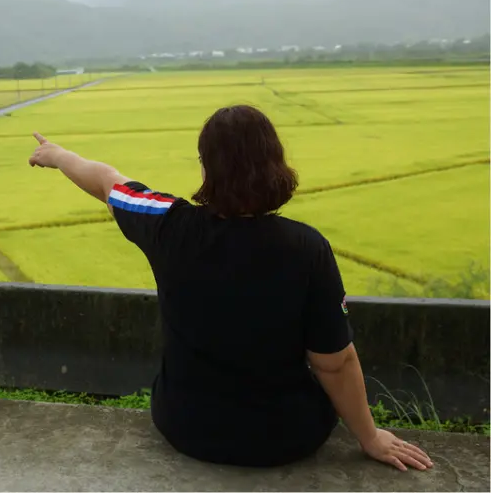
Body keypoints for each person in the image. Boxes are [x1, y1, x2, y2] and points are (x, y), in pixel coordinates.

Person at [27, 104, 434, 471]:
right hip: (287, 436)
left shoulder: (168, 227)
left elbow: (107, 183)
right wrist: (370, 436)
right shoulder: (307, 248)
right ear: (276, 164)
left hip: (185, 425)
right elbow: (334, 361)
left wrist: (58, 156)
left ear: (206, 168)